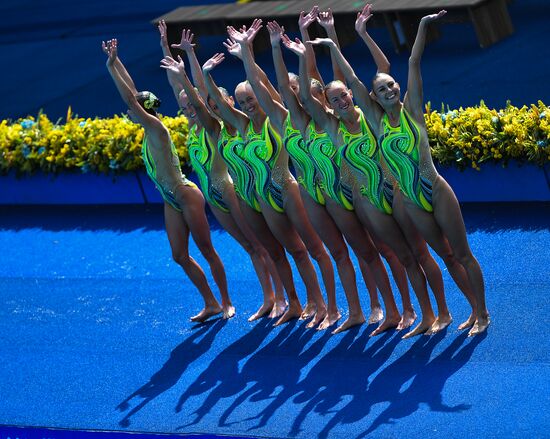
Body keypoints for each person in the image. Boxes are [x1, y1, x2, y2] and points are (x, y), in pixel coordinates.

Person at [202, 21, 331, 328]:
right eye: (242, 102)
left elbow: (265, 85)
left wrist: (248, 52)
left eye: (251, 99)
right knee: (276, 252)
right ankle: (295, 303)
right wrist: (206, 75)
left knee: (306, 249)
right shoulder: (242, 125)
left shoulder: (277, 118)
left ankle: (321, 303)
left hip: (287, 190)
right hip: (260, 195)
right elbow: (217, 104)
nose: (248, 104)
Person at [370, 10, 489, 336]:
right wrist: (352, 34)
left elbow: (413, 61)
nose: (390, 90)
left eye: (391, 85)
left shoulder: (412, 109)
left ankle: (483, 313)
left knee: (463, 254)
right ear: (374, 98)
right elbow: (352, 81)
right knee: (447, 257)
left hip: (435, 190)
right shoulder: (376, 122)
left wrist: (422, 24)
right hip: (412, 201)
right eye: (383, 89)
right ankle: (473, 310)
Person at [157, 24, 285, 321]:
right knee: (248, 246)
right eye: (184, 107)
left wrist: (191, 57)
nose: (190, 109)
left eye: (197, 105)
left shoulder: (218, 127)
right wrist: (166, 48)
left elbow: (198, 93)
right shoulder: (193, 126)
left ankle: (281, 297)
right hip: (214, 196)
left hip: (231, 189)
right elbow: (180, 89)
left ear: (224, 103)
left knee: (261, 244)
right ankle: (269, 298)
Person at [103, 38, 234, 322]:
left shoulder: (157, 129)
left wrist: (111, 68)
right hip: (171, 199)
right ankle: (210, 303)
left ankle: (226, 301)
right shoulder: (148, 128)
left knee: (207, 250)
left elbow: (131, 99)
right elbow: (134, 94)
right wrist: (116, 62)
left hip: (186, 195)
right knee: (179, 256)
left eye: (134, 110)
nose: (129, 113)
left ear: (144, 111)